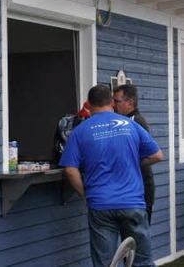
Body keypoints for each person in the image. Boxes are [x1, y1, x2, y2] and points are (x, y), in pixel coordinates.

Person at [60, 85, 163, 267]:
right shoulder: (130, 125)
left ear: (89, 105)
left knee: (106, 263)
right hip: (132, 203)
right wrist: (133, 162)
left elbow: (70, 169)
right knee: (142, 262)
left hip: (100, 205)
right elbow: (156, 155)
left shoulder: (80, 131)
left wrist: (84, 194)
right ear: (111, 102)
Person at [113, 84, 155, 224]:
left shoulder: (136, 122)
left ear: (130, 103)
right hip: (129, 191)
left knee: (139, 238)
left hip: (140, 189)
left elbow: (151, 155)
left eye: (117, 101)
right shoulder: (123, 121)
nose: (114, 105)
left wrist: (130, 163)